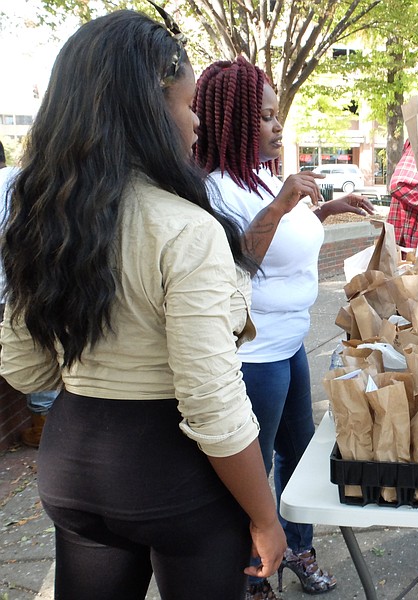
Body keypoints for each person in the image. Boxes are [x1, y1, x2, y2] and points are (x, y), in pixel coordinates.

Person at [0, 10, 287, 599]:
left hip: (72, 460)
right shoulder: (185, 229)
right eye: (187, 105)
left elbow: (26, 367)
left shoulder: (43, 217)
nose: (197, 124)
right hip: (170, 471)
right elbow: (210, 399)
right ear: (147, 109)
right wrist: (264, 516)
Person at [193, 56, 373, 600]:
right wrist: (283, 202)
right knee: (253, 471)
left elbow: (284, 245)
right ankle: (253, 569)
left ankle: (297, 548)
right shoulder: (216, 189)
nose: (277, 125)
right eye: (265, 116)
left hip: (291, 344)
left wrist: (324, 208)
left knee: (300, 457)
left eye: (278, 115)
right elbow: (239, 260)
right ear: (234, 120)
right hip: (253, 356)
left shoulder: (262, 178)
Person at [0, 145, 62, 448]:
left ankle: (43, 427)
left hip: (11, 287)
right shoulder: (28, 180)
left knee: (27, 355)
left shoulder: (21, 183)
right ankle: (45, 424)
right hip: (26, 283)